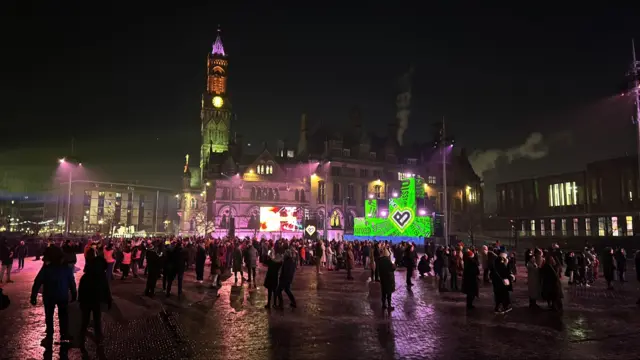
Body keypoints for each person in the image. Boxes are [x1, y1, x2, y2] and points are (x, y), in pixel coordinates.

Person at [30, 248, 77, 344]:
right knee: (63, 315)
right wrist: (74, 293)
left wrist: (33, 295)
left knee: (49, 316)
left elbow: (38, 281)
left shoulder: (46, 268)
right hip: (62, 295)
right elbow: (71, 281)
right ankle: (64, 334)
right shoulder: (66, 268)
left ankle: (49, 335)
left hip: (49, 296)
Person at [78, 248, 112, 349]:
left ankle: (81, 337)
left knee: (85, 319)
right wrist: (108, 300)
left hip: (87, 300)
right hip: (97, 300)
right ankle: (98, 337)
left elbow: (81, 289)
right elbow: (106, 288)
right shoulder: (102, 276)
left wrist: (80, 300)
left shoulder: (86, 276)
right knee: (97, 319)